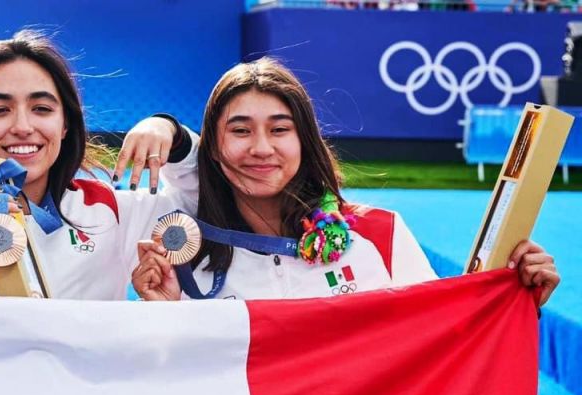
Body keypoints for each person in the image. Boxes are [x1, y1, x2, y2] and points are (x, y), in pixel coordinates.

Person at [130, 57, 559, 304]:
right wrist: (164, 318)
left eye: (280, 130)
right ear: (214, 147)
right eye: (240, 131)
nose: (261, 148)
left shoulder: (380, 237)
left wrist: (511, 302)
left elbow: (443, 339)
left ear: (306, 142)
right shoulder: (182, 256)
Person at [0, 30, 199, 299]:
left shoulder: (109, 211)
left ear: (65, 124)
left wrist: (174, 134)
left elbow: (207, 200)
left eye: (41, 108)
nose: (23, 126)